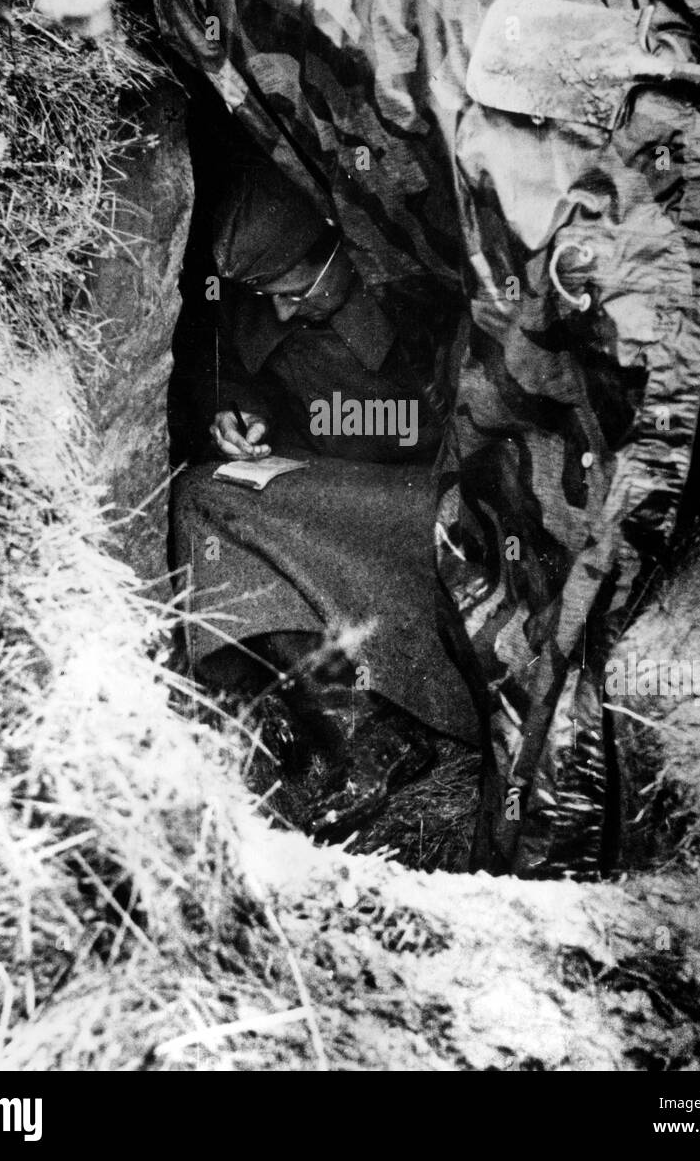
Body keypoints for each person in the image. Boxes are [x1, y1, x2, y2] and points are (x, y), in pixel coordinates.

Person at [168, 152, 478, 839]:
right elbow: (230, 375)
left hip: (433, 498)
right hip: (327, 484)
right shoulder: (264, 308)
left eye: (295, 289)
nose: (280, 308)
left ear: (340, 243)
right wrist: (236, 415)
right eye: (266, 295)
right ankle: (355, 728)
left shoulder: (421, 291)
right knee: (202, 494)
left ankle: (390, 715)